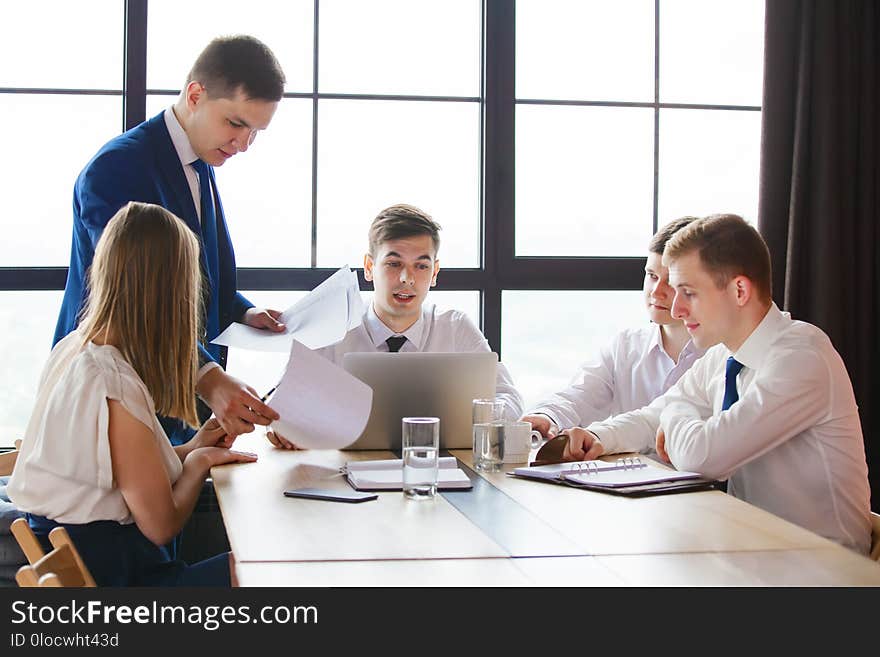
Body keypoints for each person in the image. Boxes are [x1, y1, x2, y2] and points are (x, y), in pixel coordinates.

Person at [562, 214, 872, 553]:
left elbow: (703, 456)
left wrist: (674, 414)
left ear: (739, 290)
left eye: (689, 293)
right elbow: (656, 415)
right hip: (757, 552)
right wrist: (598, 438)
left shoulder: (801, 358)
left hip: (825, 569)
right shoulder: (723, 355)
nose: (677, 309)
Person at [9, 203, 258, 585]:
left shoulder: (74, 349)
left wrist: (193, 446)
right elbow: (161, 526)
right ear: (169, 291)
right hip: (127, 580)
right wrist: (198, 464)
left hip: (98, 558)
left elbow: (119, 472)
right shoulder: (113, 382)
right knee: (265, 566)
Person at [54, 35, 285, 445]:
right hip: (114, 398)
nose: (244, 145)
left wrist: (243, 312)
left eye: (256, 132)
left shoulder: (202, 162)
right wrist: (207, 376)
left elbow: (194, 275)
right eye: (235, 124)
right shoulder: (117, 169)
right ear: (195, 94)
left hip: (175, 410)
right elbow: (132, 298)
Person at [267, 203, 524, 449]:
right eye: (393, 263)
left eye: (421, 266)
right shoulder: (331, 327)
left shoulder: (456, 328)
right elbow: (280, 403)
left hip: (438, 469)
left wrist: (472, 417)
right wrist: (282, 425)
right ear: (369, 268)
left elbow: (510, 401)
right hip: (339, 471)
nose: (406, 279)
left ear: (434, 273)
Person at [522, 217, 704, 440]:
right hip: (630, 473)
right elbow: (579, 395)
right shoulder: (626, 346)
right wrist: (546, 416)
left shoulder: (723, 355)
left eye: (671, 281)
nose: (656, 292)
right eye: (652, 276)